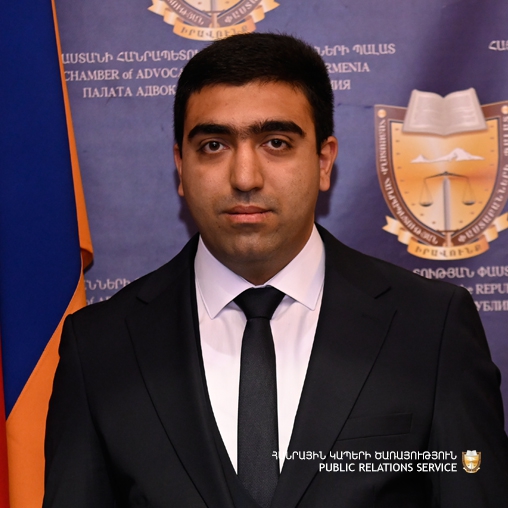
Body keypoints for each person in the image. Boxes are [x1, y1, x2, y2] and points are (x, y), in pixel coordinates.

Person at [43, 33, 508, 507]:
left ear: (324, 161)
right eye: (213, 145)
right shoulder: (100, 347)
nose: (245, 177)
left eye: (276, 143)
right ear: (180, 165)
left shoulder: (431, 328)